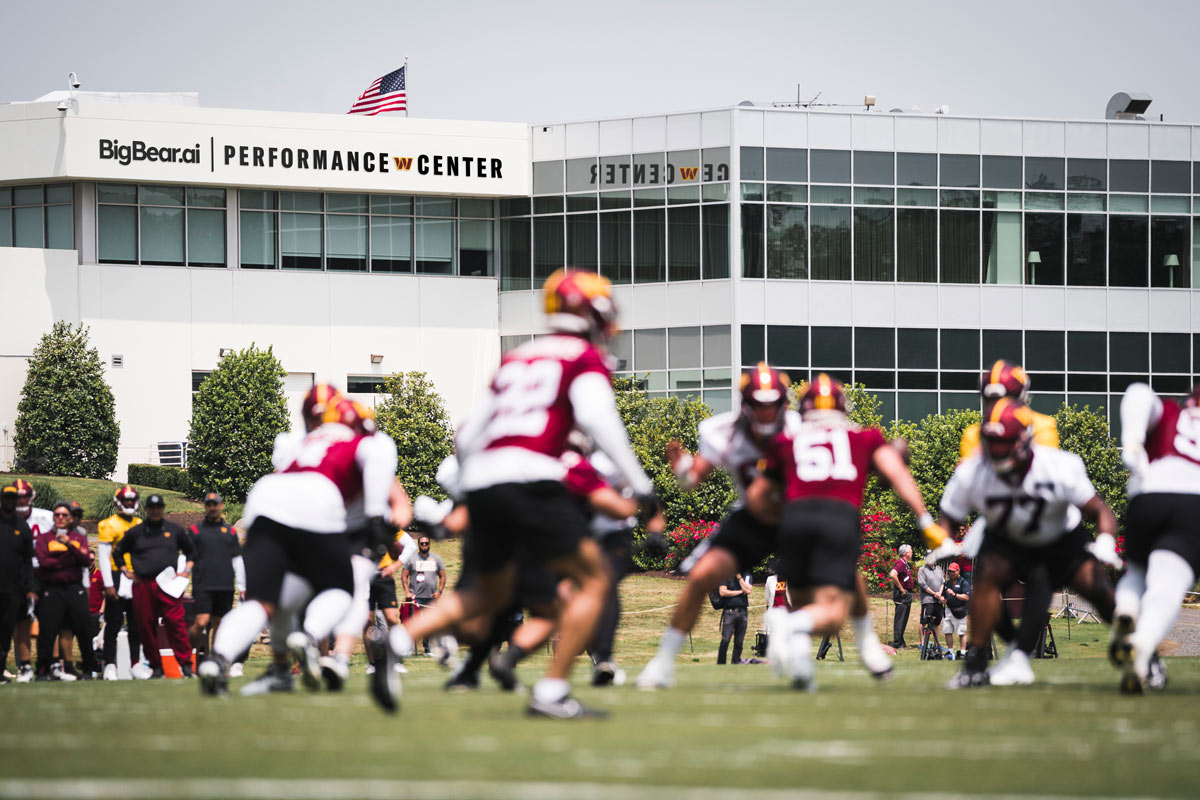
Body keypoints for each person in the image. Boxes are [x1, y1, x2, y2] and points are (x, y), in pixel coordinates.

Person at [377, 268, 655, 719]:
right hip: (534, 478)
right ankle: (552, 692)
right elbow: (600, 419)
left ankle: (399, 639)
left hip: (485, 480)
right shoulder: (581, 356)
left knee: (487, 594)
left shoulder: (516, 356)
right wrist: (642, 485)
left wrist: (471, 490)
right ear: (594, 310)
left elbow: (468, 437)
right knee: (593, 580)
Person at [746, 374, 942, 691]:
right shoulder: (863, 437)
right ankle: (790, 627)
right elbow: (896, 472)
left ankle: (847, 648)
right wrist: (924, 519)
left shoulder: (785, 441)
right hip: (837, 518)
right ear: (843, 407)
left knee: (846, 584)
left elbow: (756, 496)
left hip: (794, 520)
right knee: (833, 614)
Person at [200, 386, 398, 697]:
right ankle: (308, 636)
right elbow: (377, 491)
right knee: (343, 589)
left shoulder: (299, 441)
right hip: (319, 502)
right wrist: (377, 524)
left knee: (265, 602)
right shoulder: (367, 441)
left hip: (266, 499)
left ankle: (218, 660)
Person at [939, 399, 1121, 689]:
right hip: (1009, 538)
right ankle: (975, 664)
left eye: (1005, 442)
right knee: (984, 580)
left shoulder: (1058, 465)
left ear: (1025, 440)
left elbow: (1100, 511)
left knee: (1097, 588)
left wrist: (1106, 541)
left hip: (1060, 537)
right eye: (992, 442)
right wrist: (943, 540)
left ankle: (1137, 647)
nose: (997, 450)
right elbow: (948, 515)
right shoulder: (973, 470)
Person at [1110, 382, 1200, 694]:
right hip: (1194, 502)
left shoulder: (1174, 413)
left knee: (1139, 571)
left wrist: (1133, 442)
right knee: (1168, 584)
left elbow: (1137, 393)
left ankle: (1126, 607)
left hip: (1150, 493)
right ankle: (1143, 643)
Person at [114, 494, 196, 679]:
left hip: (168, 583)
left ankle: (186, 665)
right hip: (143, 582)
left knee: (175, 623)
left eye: (158, 507)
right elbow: (118, 552)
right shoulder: (136, 532)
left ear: (163, 508)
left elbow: (191, 550)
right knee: (146, 625)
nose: (155, 510)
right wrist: (126, 571)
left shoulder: (174, 530)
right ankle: (156, 666)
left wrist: (187, 570)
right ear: (147, 509)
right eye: (152, 507)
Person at [33, 503, 96, 680]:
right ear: (53, 517)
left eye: (64, 515)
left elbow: (85, 560)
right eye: (57, 514)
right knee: (48, 629)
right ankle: (42, 670)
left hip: (74, 588)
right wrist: (68, 562)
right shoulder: (44, 538)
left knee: (82, 628)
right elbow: (43, 562)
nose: (60, 518)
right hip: (52, 588)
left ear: (70, 518)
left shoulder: (78, 536)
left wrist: (70, 546)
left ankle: (87, 668)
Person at [187, 493, 245, 668]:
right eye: (209, 504)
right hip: (203, 584)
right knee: (202, 622)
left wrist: (242, 585)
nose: (212, 507)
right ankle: (186, 657)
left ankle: (215, 662)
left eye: (216, 504)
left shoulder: (230, 531)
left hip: (225, 585)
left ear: (221, 505)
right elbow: (189, 557)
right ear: (205, 506)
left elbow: (237, 559)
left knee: (220, 623)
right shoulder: (195, 530)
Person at [97, 485, 143, 680]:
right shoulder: (108, 524)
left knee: (136, 624)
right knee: (113, 623)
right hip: (116, 576)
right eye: (126, 501)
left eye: (132, 500)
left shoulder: (140, 523)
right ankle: (109, 665)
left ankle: (135, 664)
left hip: (136, 577)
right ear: (119, 502)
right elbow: (104, 556)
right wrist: (108, 584)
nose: (130, 504)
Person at [10, 480, 52, 683]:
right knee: (21, 621)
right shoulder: (5, 519)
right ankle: (24, 666)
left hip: (44, 572)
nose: (20, 500)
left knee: (50, 621)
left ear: (31, 497)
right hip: (17, 576)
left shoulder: (47, 517)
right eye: (17, 497)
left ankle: (50, 664)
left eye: (24, 496)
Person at [0, 485, 34, 683]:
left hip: (13, 589)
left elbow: (28, 560)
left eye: (14, 498)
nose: (11, 501)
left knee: (6, 631)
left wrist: (29, 587)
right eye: (8, 497)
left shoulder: (22, 526)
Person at [717, 573, 751, 665]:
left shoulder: (747, 575)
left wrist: (739, 578)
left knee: (739, 641)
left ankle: (735, 662)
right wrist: (740, 592)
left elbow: (748, 590)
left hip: (742, 612)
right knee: (725, 640)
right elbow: (722, 592)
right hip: (729, 612)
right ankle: (721, 664)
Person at [917, 555, 945, 658]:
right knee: (924, 622)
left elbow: (942, 582)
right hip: (927, 600)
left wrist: (940, 593)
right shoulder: (922, 570)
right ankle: (922, 643)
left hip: (938, 600)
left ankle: (936, 645)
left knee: (936, 623)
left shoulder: (939, 568)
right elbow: (923, 585)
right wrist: (934, 594)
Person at [941, 562, 970, 659]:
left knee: (961, 632)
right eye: (949, 572)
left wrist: (955, 595)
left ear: (958, 571)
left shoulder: (964, 582)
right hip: (948, 610)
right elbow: (943, 595)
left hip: (959, 611)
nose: (951, 574)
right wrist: (942, 599)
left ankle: (962, 652)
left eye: (953, 572)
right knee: (947, 631)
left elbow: (966, 597)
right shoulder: (947, 583)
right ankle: (950, 652)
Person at [889, 545, 915, 649]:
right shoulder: (900, 562)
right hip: (902, 595)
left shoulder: (905, 564)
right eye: (911, 551)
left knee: (904, 618)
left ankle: (901, 641)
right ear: (906, 553)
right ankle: (897, 643)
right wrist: (901, 589)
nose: (912, 553)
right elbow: (893, 574)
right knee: (900, 618)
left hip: (906, 594)